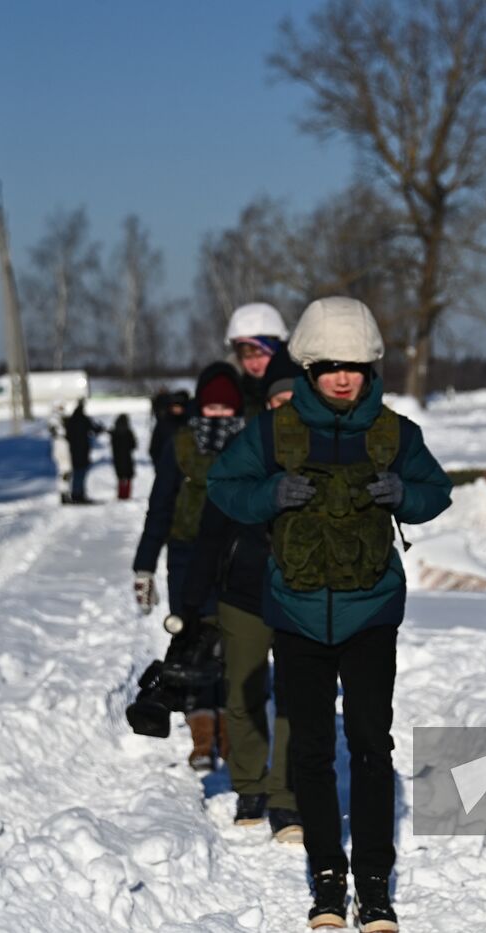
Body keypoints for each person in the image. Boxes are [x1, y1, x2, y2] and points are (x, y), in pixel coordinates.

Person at [208, 296, 453, 932]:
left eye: (355, 367)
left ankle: (373, 881)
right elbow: (223, 486)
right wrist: (269, 493)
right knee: (312, 751)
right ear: (310, 368)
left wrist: (405, 492)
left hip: (370, 613)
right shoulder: (274, 431)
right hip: (294, 614)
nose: (343, 378)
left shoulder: (395, 433)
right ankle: (326, 876)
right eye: (329, 366)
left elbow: (437, 491)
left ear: (371, 369)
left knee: (371, 746)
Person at [181, 351, 307, 841]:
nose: (285, 407)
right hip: (244, 591)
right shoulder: (246, 448)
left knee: (297, 697)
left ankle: (287, 797)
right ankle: (251, 786)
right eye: (277, 398)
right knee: (244, 692)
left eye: (295, 398)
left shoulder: (327, 449)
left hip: (302, 595)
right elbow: (212, 527)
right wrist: (193, 602)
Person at [134, 362, 247, 769]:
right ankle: (202, 739)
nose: (218, 414)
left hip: (236, 560)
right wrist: (144, 565)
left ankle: (233, 737)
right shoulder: (180, 445)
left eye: (226, 408)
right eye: (212, 407)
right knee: (191, 648)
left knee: (234, 651)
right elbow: (160, 506)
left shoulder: (251, 444)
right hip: (185, 558)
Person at [225, 302, 290, 417]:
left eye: (261, 354)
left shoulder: (299, 388)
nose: (254, 364)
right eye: (247, 356)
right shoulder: (233, 395)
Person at [62, 399, 104, 504]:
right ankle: (78, 494)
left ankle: (76, 493)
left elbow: (67, 436)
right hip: (83, 450)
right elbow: (95, 429)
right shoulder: (84, 419)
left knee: (77, 472)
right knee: (80, 472)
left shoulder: (72, 420)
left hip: (74, 451)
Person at [148, 389, 191, 465]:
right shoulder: (162, 424)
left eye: (179, 407)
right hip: (166, 465)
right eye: (175, 406)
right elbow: (154, 448)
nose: (177, 409)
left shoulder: (188, 423)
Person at [48, 403, 73, 504]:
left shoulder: (61, 419)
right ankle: (63, 493)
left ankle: (65, 493)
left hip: (64, 448)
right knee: (64, 472)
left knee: (66, 472)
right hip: (61, 449)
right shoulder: (55, 420)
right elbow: (58, 432)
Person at [110, 413, 138, 500]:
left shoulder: (114, 432)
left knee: (120, 477)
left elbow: (112, 445)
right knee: (128, 477)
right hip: (127, 457)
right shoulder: (128, 432)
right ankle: (127, 494)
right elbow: (133, 445)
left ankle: (121, 494)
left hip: (117, 457)